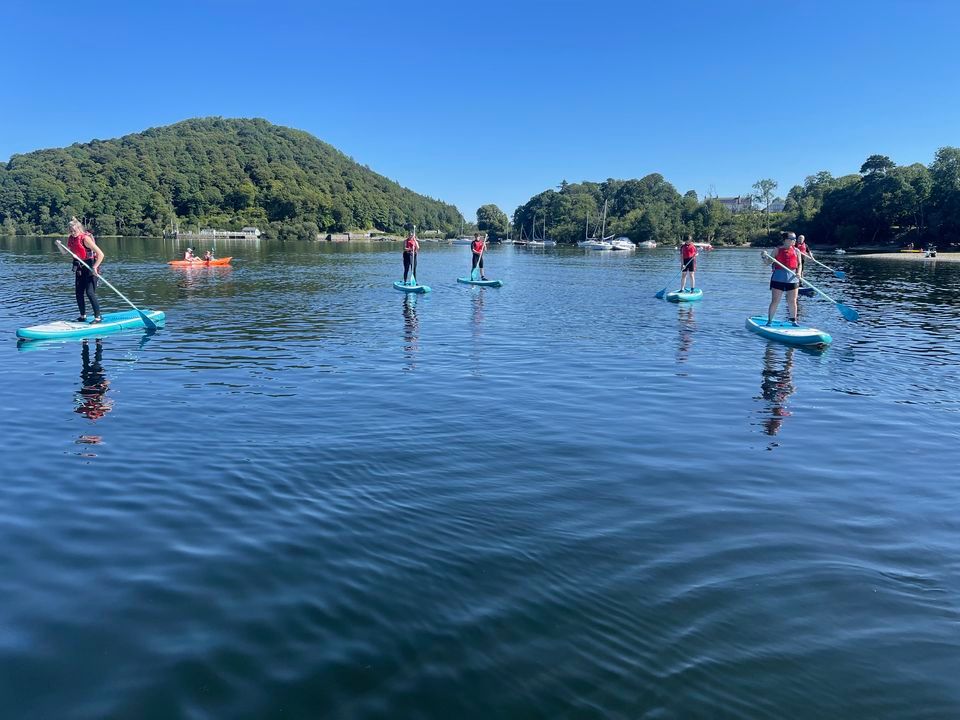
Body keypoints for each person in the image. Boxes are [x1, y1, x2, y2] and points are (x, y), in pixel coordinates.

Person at [67, 217, 104, 323]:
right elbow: (65, 252)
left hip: (90, 266)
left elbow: (101, 254)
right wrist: (59, 245)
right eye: (70, 231)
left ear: (79, 229)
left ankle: (98, 317)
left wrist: (95, 267)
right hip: (80, 267)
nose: (73, 233)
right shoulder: (71, 238)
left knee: (90, 292)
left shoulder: (85, 239)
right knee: (78, 292)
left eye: (74, 230)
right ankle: (83, 316)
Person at [765, 231, 801, 326]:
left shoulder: (797, 251)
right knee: (775, 300)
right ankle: (770, 321)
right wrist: (764, 257)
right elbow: (767, 263)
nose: (794, 241)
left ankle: (793, 321)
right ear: (785, 240)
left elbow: (799, 264)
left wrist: (798, 273)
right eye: (792, 239)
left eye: (794, 239)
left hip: (792, 278)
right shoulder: (777, 250)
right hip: (778, 278)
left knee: (792, 301)